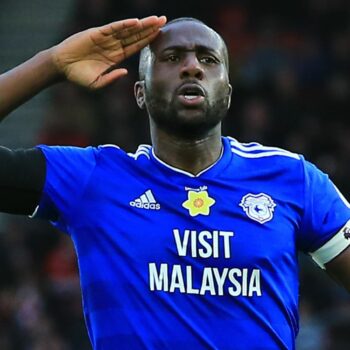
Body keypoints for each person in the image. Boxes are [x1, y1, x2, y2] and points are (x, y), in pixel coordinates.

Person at [0, 14, 349, 350]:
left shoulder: (293, 180)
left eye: (208, 59)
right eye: (171, 57)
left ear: (227, 94)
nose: (192, 66)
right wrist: (52, 64)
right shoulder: (94, 179)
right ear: (140, 93)